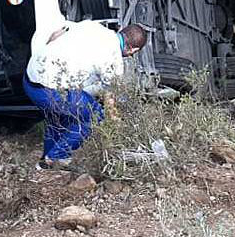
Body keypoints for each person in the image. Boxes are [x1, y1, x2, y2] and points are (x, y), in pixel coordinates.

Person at [23, 20, 148, 168]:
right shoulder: (114, 61)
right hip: (49, 92)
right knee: (94, 116)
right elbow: (110, 104)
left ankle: (47, 157)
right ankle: (53, 161)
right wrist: (117, 128)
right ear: (133, 50)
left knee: (61, 116)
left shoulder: (93, 26)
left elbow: (57, 32)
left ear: (122, 30)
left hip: (29, 79)